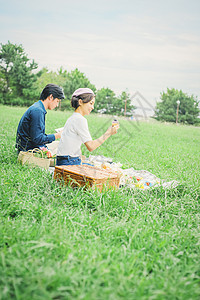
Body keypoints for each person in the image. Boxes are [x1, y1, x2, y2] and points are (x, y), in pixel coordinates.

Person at [56, 87, 119, 166]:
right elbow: (91, 147)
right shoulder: (80, 120)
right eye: (91, 103)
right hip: (69, 162)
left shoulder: (73, 118)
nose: (92, 107)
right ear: (80, 102)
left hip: (64, 160)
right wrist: (108, 133)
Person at [16, 84, 65, 152]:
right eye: (57, 101)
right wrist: (57, 135)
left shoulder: (38, 107)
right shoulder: (38, 111)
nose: (57, 105)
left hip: (30, 146)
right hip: (28, 150)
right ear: (50, 97)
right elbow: (37, 139)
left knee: (60, 144)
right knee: (64, 148)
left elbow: (37, 137)